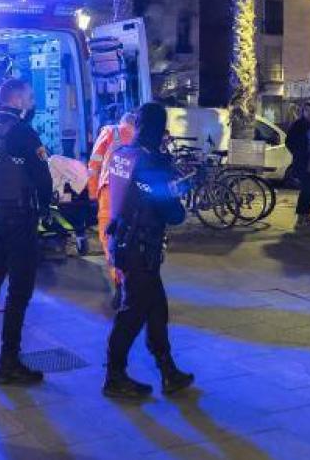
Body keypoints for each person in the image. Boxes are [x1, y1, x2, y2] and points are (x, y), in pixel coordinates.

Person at [102, 102, 194, 399]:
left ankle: (168, 371)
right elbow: (173, 213)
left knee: (157, 309)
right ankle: (114, 376)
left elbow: (134, 195)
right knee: (133, 313)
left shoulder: (122, 154)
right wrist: (179, 189)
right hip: (141, 248)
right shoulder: (152, 162)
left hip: (125, 243)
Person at [0, 78, 53, 385]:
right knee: (18, 292)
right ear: (17, 100)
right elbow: (43, 180)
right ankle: (8, 362)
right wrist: (44, 208)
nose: (31, 102)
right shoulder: (22, 132)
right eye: (29, 97)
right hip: (20, 219)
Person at [88, 110, 137, 301]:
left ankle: (118, 283)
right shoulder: (141, 138)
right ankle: (131, 282)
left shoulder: (110, 132)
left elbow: (94, 165)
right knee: (130, 236)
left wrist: (93, 193)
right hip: (132, 192)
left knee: (109, 237)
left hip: (110, 190)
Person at [286, 102, 310, 226]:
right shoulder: (297, 125)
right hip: (302, 162)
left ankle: (306, 215)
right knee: (306, 189)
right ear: (302, 112)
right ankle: (301, 216)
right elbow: (289, 142)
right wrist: (298, 151)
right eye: (306, 110)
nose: (309, 113)